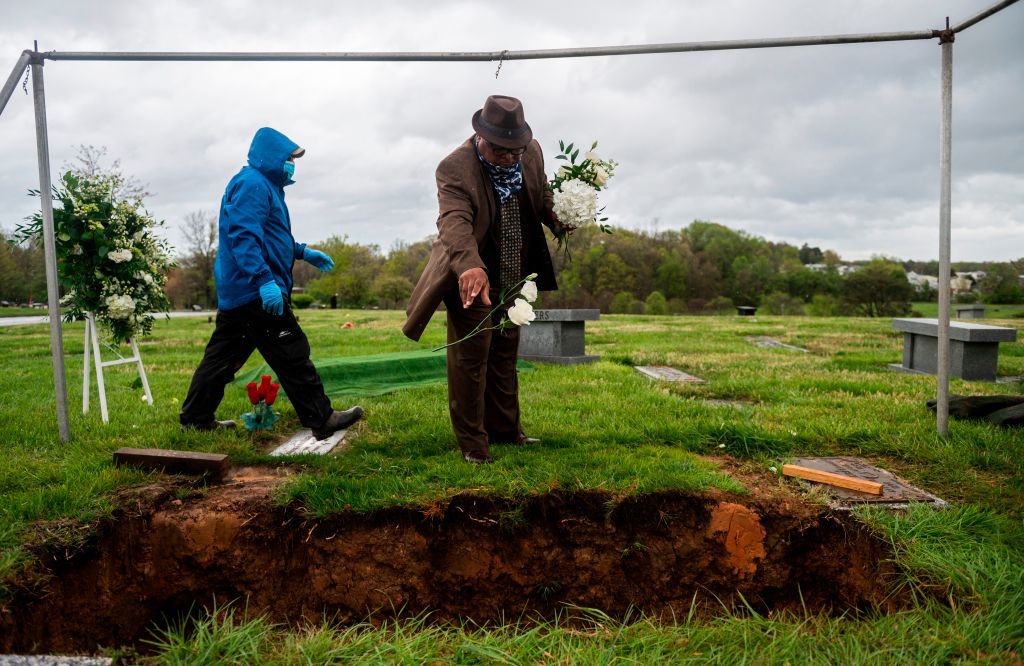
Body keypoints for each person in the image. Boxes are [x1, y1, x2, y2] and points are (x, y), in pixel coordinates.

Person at [403, 95, 563, 464]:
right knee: (471, 358)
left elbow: (541, 194)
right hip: (470, 272)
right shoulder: (455, 167)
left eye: (515, 151)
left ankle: (506, 431)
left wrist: (556, 216)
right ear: (481, 138)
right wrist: (470, 266)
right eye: (501, 151)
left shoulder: (531, 152)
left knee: (506, 350)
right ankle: (473, 443)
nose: (510, 157)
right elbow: (453, 221)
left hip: (513, 270)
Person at [180, 127, 362, 440]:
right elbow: (244, 237)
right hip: (254, 291)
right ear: (272, 156)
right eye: (290, 158)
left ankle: (196, 417)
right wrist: (264, 280)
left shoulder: (264, 186)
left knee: (221, 358)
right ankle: (321, 418)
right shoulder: (252, 184)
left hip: (240, 292)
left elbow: (271, 238)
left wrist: (303, 252)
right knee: (291, 351)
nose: (293, 165)